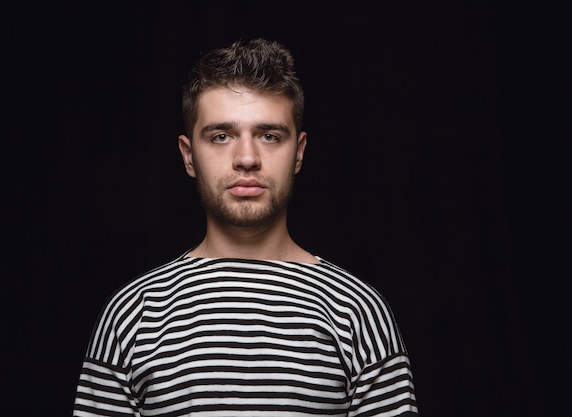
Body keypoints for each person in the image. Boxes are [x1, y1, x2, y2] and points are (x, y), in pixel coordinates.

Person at [73, 38, 418, 416]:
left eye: (269, 136)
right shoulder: (132, 315)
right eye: (221, 136)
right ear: (189, 156)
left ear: (299, 152)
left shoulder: (358, 312)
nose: (247, 158)